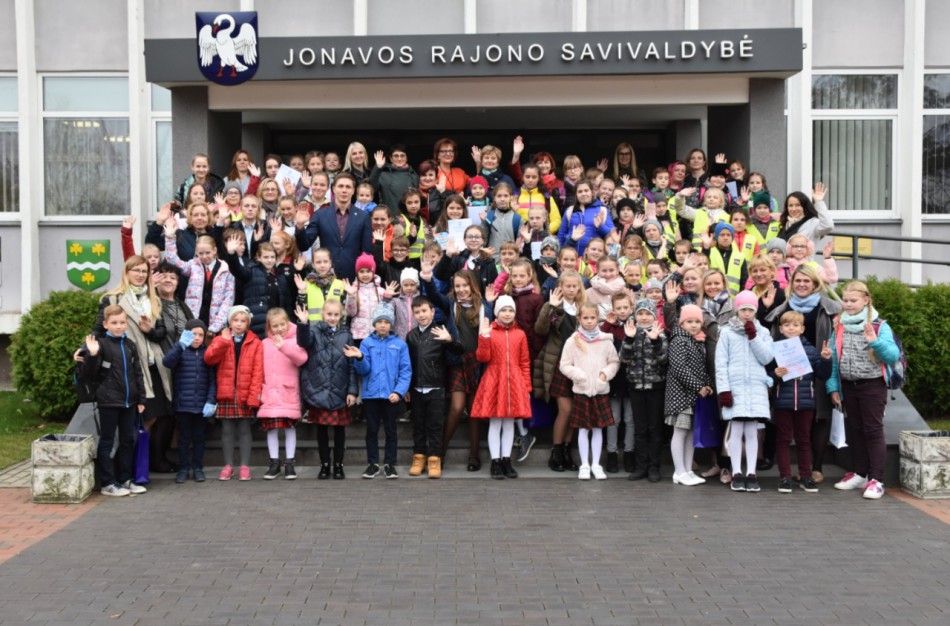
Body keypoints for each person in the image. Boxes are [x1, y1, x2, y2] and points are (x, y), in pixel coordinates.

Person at [93, 256, 175, 474]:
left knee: (155, 416)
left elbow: (161, 333)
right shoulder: (112, 299)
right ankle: (127, 470)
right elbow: (99, 330)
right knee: (141, 418)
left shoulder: (153, 298)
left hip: (154, 366)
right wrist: (85, 349)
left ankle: (141, 468)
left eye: (144, 271)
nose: (140, 275)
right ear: (126, 272)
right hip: (127, 365)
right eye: (136, 270)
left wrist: (149, 330)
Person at [763, 264, 841, 483]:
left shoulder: (830, 307)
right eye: (798, 280)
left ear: (815, 284)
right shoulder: (782, 308)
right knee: (790, 427)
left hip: (819, 362)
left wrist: (825, 358)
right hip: (789, 373)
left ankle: (816, 468)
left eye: (807, 281)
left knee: (820, 415)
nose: (802, 284)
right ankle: (789, 473)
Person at [828, 280, 902, 500]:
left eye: (853, 300)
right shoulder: (839, 324)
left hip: (872, 386)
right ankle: (860, 474)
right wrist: (833, 386)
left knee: (872, 430)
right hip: (848, 385)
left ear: (866, 300)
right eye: (845, 300)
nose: (848, 304)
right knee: (855, 430)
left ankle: (877, 479)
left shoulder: (879, 325)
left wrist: (875, 342)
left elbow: (892, 356)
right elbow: (834, 357)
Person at [422, 268, 492, 471]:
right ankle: (439, 452)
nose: (461, 289)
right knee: (456, 407)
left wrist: (490, 302)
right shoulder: (451, 303)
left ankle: (474, 456)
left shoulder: (484, 306)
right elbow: (434, 296)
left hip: (477, 363)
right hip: (458, 361)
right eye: (457, 286)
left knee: (474, 411)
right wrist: (427, 280)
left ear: (472, 286)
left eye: (465, 285)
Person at [78, 305, 147, 497]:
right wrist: (92, 355)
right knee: (107, 440)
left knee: (127, 440)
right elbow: (88, 374)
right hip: (108, 401)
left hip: (129, 402)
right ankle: (107, 482)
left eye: (122, 322)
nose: (118, 326)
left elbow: (137, 373)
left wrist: (141, 398)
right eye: (114, 323)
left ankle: (125, 479)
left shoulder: (130, 345)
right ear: (105, 324)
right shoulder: (100, 345)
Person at [715, 291, 775, 493]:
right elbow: (720, 363)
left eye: (750, 309)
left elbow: (767, 358)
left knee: (752, 432)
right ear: (737, 311)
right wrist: (724, 390)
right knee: (736, 430)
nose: (747, 313)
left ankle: (751, 473)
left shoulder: (763, 332)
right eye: (743, 310)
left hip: (755, 388)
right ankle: (736, 472)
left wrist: (753, 336)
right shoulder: (726, 332)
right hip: (735, 388)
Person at [768, 310, 832, 494]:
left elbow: (822, 375)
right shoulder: (774, 350)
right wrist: (775, 375)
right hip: (783, 402)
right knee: (783, 440)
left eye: (795, 325)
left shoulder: (811, 350)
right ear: (781, 328)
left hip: (805, 402)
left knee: (804, 440)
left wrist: (826, 360)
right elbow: (768, 376)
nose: (791, 328)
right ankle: (785, 477)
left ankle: (805, 476)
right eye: (787, 325)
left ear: (802, 329)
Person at [346, 304, 411, 480]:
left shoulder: (400, 344)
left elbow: (406, 371)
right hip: (371, 395)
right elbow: (363, 370)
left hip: (391, 395)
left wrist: (399, 392)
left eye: (386, 322)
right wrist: (360, 357)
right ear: (374, 324)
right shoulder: (367, 343)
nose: (383, 325)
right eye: (380, 321)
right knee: (372, 430)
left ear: (391, 324)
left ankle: (390, 464)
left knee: (391, 430)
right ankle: (373, 464)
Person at [470, 295, 532, 480]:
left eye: (511, 310)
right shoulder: (490, 332)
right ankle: (495, 461)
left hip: (515, 381)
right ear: (497, 312)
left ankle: (506, 460)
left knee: (509, 423)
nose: (507, 313)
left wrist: (526, 387)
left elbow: (524, 362)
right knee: (496, 423)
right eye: (503, 310)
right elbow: (483, 357)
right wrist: (484, 336)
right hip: (494, 380)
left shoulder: (520, 334)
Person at [558, 302, 621, 480]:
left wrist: (604, 375)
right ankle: (585, 464)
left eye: (593, 317)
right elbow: (564, 365)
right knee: (583, 430)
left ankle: (596, 464)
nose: (589, 321)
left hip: (600, 390)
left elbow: (614, 362)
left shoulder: (606, 341)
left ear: (598, 318)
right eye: (585, 318)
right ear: (579, 319)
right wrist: (579, 376)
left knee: (598, 429)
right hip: (582, 390)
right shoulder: (572, 341)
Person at [297, 300, 358, 480]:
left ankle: (338, 465)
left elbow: (351, 365)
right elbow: (303, 342)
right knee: (321, 430)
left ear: (341, 315)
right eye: (329, 314)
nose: (332, 318)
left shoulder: (346, 335)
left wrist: (352, 391)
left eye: (336, 314)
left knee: (339, 431)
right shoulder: (314, 331)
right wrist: (303, 324)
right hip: (319, 388)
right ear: (323, 314)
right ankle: (324, 465)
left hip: (340, 389)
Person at [405, 297, 464, 479]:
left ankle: (434, 459)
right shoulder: (411, 336)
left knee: (435, 425)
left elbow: (459, 351)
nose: (421, 315)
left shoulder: (440, 331)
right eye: (417, 312)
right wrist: (407, 387)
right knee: (418, 425)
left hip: (436, 388)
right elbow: (407, 364)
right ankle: (418, 458)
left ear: (432, 312)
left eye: (424, 311)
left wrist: (449, 340)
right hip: (416, 388)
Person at [204, 305, 264, 481]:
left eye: (243, 321)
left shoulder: (255, 342)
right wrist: (223, 342)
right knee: (227, 430)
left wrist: (254, 395)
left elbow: (258, 372)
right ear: (229, 322)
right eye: (235, 320)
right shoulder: (220, 339)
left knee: (245, 429)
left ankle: (244, 466)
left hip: (245, 392)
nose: (238, 324)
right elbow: (209, 358)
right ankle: (228, 465)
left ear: (248, 324)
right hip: (226, 391)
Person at [535, 271, 586, 472]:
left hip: (579, 365)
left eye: (575, 286)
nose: (571, 290)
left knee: (574, 411)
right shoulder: (555, 306)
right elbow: (540, 329)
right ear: (561, 287)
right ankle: (556, 452)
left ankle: (566, 450)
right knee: (565, 410)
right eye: (568, 286)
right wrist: (550, 306)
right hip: (559, 364)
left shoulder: (583, 308)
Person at [162, 319, 216, 484]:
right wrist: (180, 346)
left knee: (199, 438)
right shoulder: (180, 350)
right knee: (184, 438)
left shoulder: (208, 353)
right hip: (183, 405)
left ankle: (198, 468)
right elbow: (167, 362)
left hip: (201, 405)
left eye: (200, 335)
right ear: (186, 334)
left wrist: (211, 400)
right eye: (193, 334)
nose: (197, 338)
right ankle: (183, 469)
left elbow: (212, 381)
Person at [665, 304, 714, 486]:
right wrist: (698, 387)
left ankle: (687, 470)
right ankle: (679, 471)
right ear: (682, 323)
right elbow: (679, 368)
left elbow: (701, 368)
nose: (694, 325)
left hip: (693, 396)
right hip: (681, 396)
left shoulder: (696, 341)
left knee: (691, 433)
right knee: (680, 432)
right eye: (689, 321)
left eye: (697, 322)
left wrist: (708, 385)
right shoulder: (679, 339)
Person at [620, 298, 669, 482]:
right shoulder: (631, 332)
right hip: (636, 387)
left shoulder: (660, 334)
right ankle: (641, 467)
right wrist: (629, 339)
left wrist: (655, 341)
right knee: (640, 429)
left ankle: (654, 466)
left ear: (654, 316)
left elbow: (663, 359)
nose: (644, 317)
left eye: (648, 314)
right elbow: (623, 359)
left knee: (655, 428)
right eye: (640, 313)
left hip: (655, 387)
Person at [258, 308, 308, 481]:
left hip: (288, 391)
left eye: (282, 324)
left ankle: (289, 463)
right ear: (269, 327)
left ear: (288, 323)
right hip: (270, 392)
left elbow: (301, 359)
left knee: (289, 428)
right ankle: (274, 463)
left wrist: (283, 347)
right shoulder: (264, 343)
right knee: (271, 429)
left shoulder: (295, 340)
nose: (279, 328)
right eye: (275, 326)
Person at [294, 173, 373, 282]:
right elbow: (304, 245)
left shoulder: (363, 217)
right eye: (340, 186)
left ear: (353, 191)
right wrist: (300, 226)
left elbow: (366, 252)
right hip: (326, 278)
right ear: (334, 189)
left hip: (354, 278)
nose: (344, 190)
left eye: (348, 187)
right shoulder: (320, 215)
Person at [163, 222, 235, 335]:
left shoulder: (226, 271)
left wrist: (216, 327)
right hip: (193, 322)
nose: (204, 256)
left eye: (208, 253)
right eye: (200, 253)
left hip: (216, 327)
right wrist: (170, 238)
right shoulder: (193, 265)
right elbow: (173, 261)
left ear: (215, 250)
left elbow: (228, 301)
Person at [223, 237, 293, 339]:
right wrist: (231, 254)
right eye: (266, 257)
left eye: (272, 257)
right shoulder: (251, 271)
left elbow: (287, 303)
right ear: (259, 258)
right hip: (257, 325)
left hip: (277, 326)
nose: (270, 260)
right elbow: (237, 270)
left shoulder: (280, 276)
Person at [558, 180, 614, 257]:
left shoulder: (602, 209)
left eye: (586, 190)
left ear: (592, 192)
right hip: (572, 259)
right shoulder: (570, 211)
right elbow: (560, 237)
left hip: (595, 258)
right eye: (580, 191)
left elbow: (613, 235)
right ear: (576, 195)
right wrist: (560, 255)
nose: (583, 194)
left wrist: (600, 227)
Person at [345, 253, 390, 343]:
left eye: (368, 271)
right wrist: (351, 296)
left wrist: (388, 297)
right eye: (361, 271)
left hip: (377, 334)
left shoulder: (381, 291)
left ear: (373, 272)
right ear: (357, 273)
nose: (365, 274)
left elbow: (385, 312)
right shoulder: (353, 290)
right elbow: (351, 313)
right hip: (359, 336)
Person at [294, 248, 345, 324]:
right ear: (313, 264)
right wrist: (302, 291)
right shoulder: (306, 284)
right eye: (318, 262)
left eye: (325, 261)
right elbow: (301, 310)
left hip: (334, 329)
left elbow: (344, 312)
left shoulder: (340, 284)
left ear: (330, 263)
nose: (322, 265)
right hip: (313, 328)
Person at [777, 183, 835, 251]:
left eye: (798, 205)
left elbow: (828, 225)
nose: (794, 209)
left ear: (804, 207)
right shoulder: (785, 223)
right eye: (790, 205)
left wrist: (819, 202)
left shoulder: (812, 223)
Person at [369, 144, 419, 210]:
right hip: (389, 215)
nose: (399, 159)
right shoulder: (383, 175)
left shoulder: (413, 175)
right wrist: (378, 167)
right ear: (391, 159)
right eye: (396, 156)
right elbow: (372, 188)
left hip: (408, 215)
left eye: (402, 156)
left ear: (406, 158)